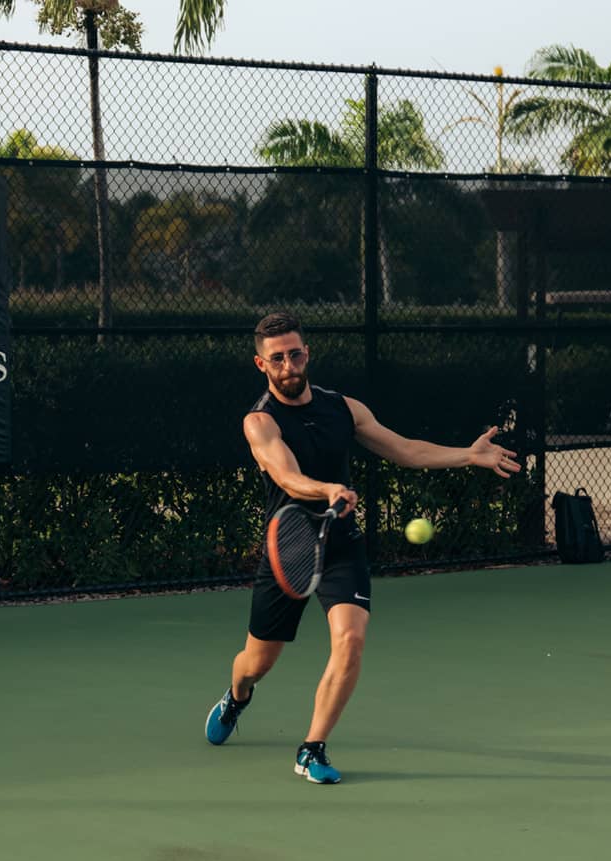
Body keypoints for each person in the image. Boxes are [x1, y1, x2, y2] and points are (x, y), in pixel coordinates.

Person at [203, 311, 523, 784]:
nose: (289, 365)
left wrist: (468, 455)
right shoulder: (260, 422)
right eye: (277, 359)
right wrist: (325, 489)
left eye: (295, 354)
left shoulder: (343, 408)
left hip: (340, 543)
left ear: (306, 354)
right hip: (288, 546)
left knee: (351, 641)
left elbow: (406, 449)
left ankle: (312, 749)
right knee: (256, 662)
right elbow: (286, 475)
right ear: (261, 365)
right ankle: (237, 696)